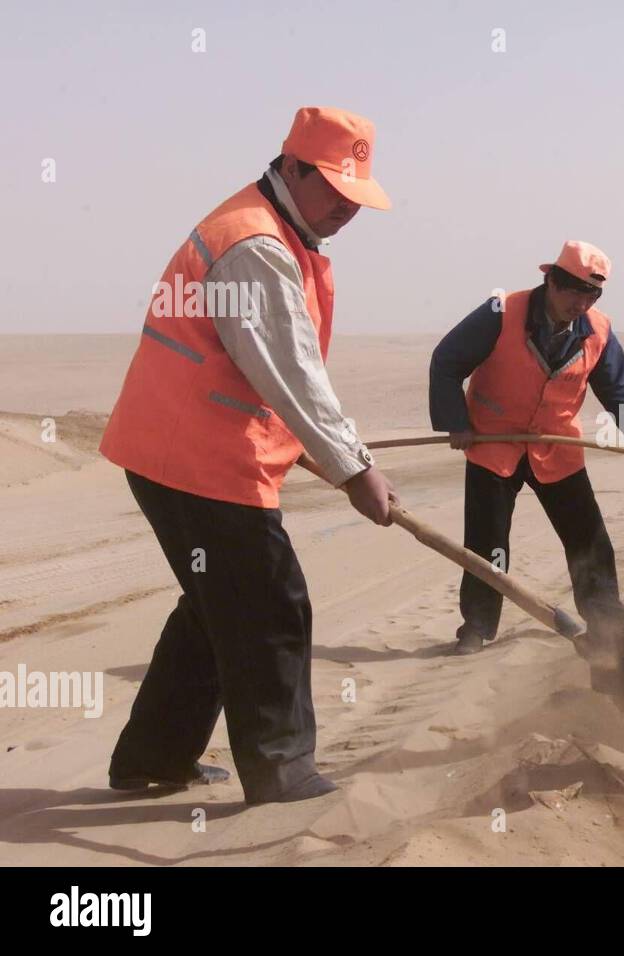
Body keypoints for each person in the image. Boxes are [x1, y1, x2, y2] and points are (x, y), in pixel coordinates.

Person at [99, 107, 397, 803]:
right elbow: (291, 373)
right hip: (195, 461)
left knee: (216, 608)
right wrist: (355, 467)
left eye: (357, 199)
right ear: (291, 166)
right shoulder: (255, 246)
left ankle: (153, 759)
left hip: (178, 452)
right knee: (269, 604)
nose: (346, 211)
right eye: (335, 191)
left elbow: (264, 372)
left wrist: (324, 450)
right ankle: (281, 769)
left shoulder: (270, 230)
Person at [428, 240, 624, 655]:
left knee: (588, 537)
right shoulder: (501, 313)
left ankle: (607, 621)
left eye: (591, 295)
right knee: (488, 543)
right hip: (494, 444)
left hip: (554, 447)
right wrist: (457, 423)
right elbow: (446, 361)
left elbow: (621, 395)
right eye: (574, 292)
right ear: (551, 282)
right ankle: (477, 627)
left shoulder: (598, 332)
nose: (582, 303)